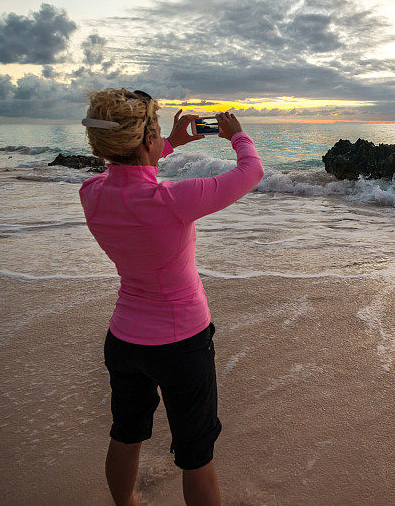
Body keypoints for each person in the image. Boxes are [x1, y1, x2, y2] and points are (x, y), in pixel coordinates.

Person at [78, 88, 264, 506]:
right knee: (196, 454)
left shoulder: (91, 193)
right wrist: (238, 137)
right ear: (146, 139)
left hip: (123, 339)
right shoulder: (172, 200)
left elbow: (125, 172)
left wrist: (171, 143)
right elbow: (250, 173)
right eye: (156, 132)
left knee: (126, 432)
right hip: (181, 345)